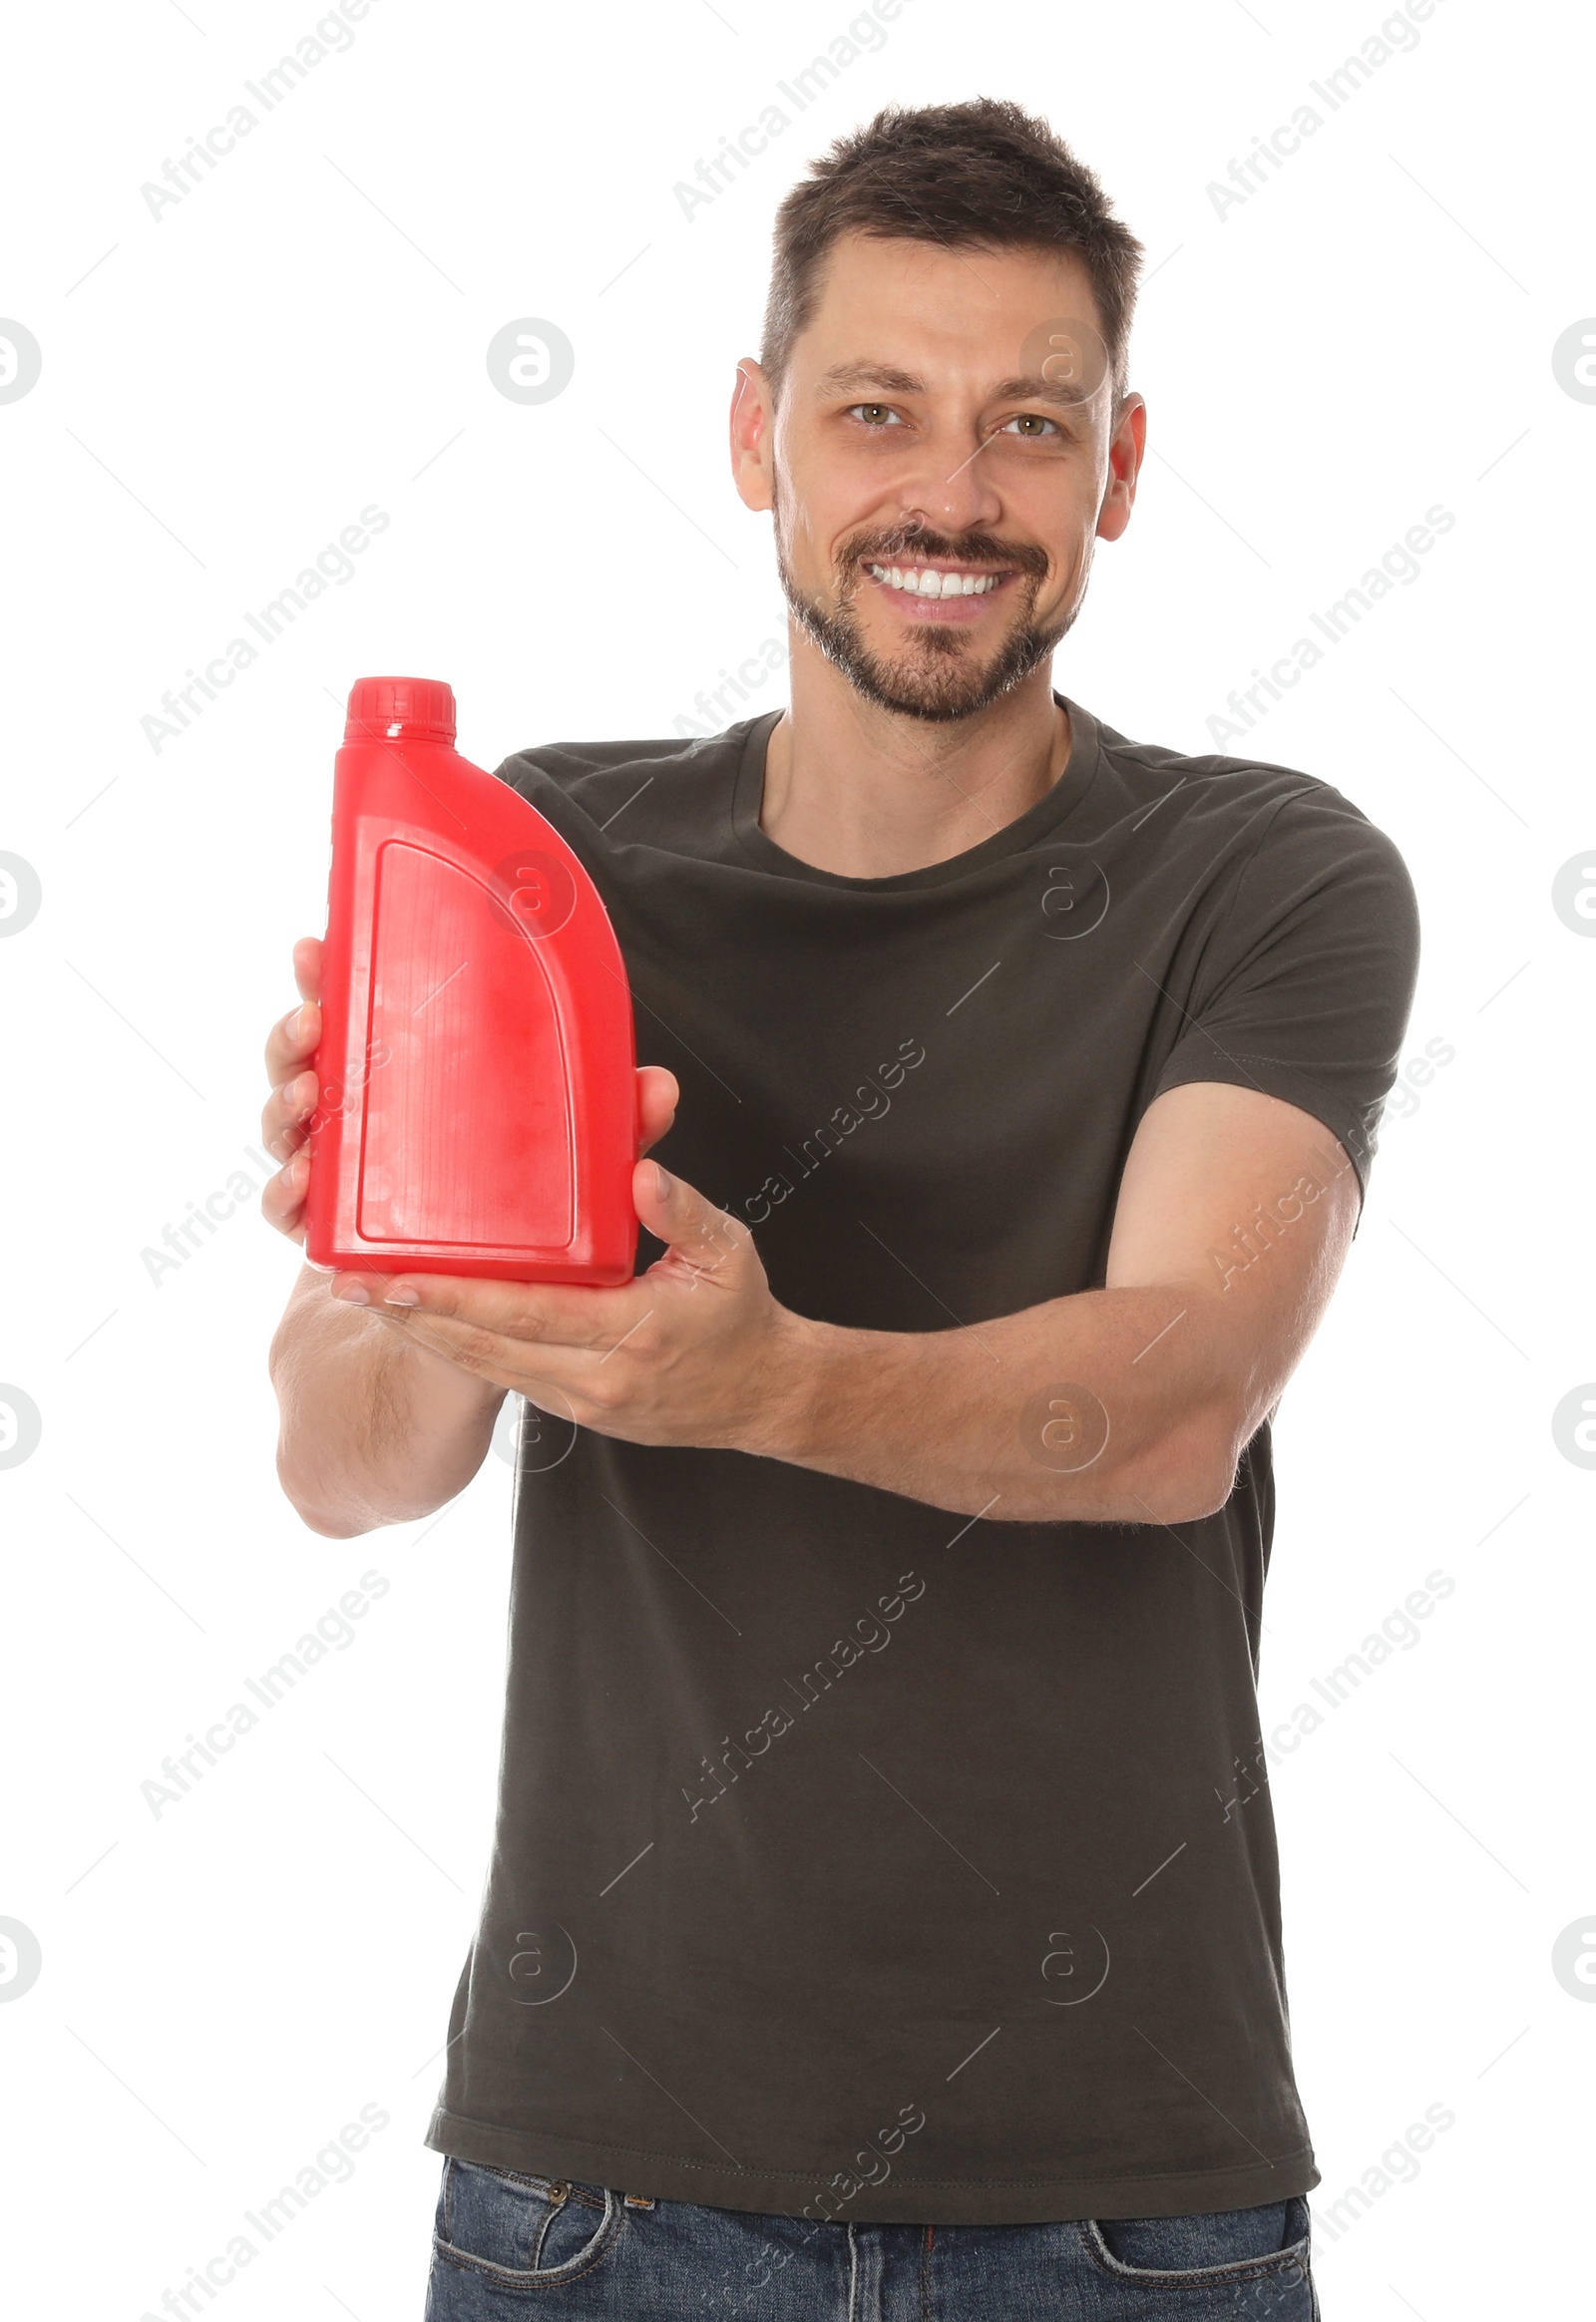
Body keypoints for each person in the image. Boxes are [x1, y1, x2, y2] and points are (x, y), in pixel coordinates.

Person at [262, 97, 1416, 2321]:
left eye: (1029, 425)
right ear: (751, 433)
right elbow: (339, 1469)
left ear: (1118, 467)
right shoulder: (549, 855)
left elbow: (1180, 1395)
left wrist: (765, 1380)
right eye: (875, 409)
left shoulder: (1258, 875)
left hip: (1116, 2204)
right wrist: (418, 1234)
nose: (952, 496)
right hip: (592, 2190)